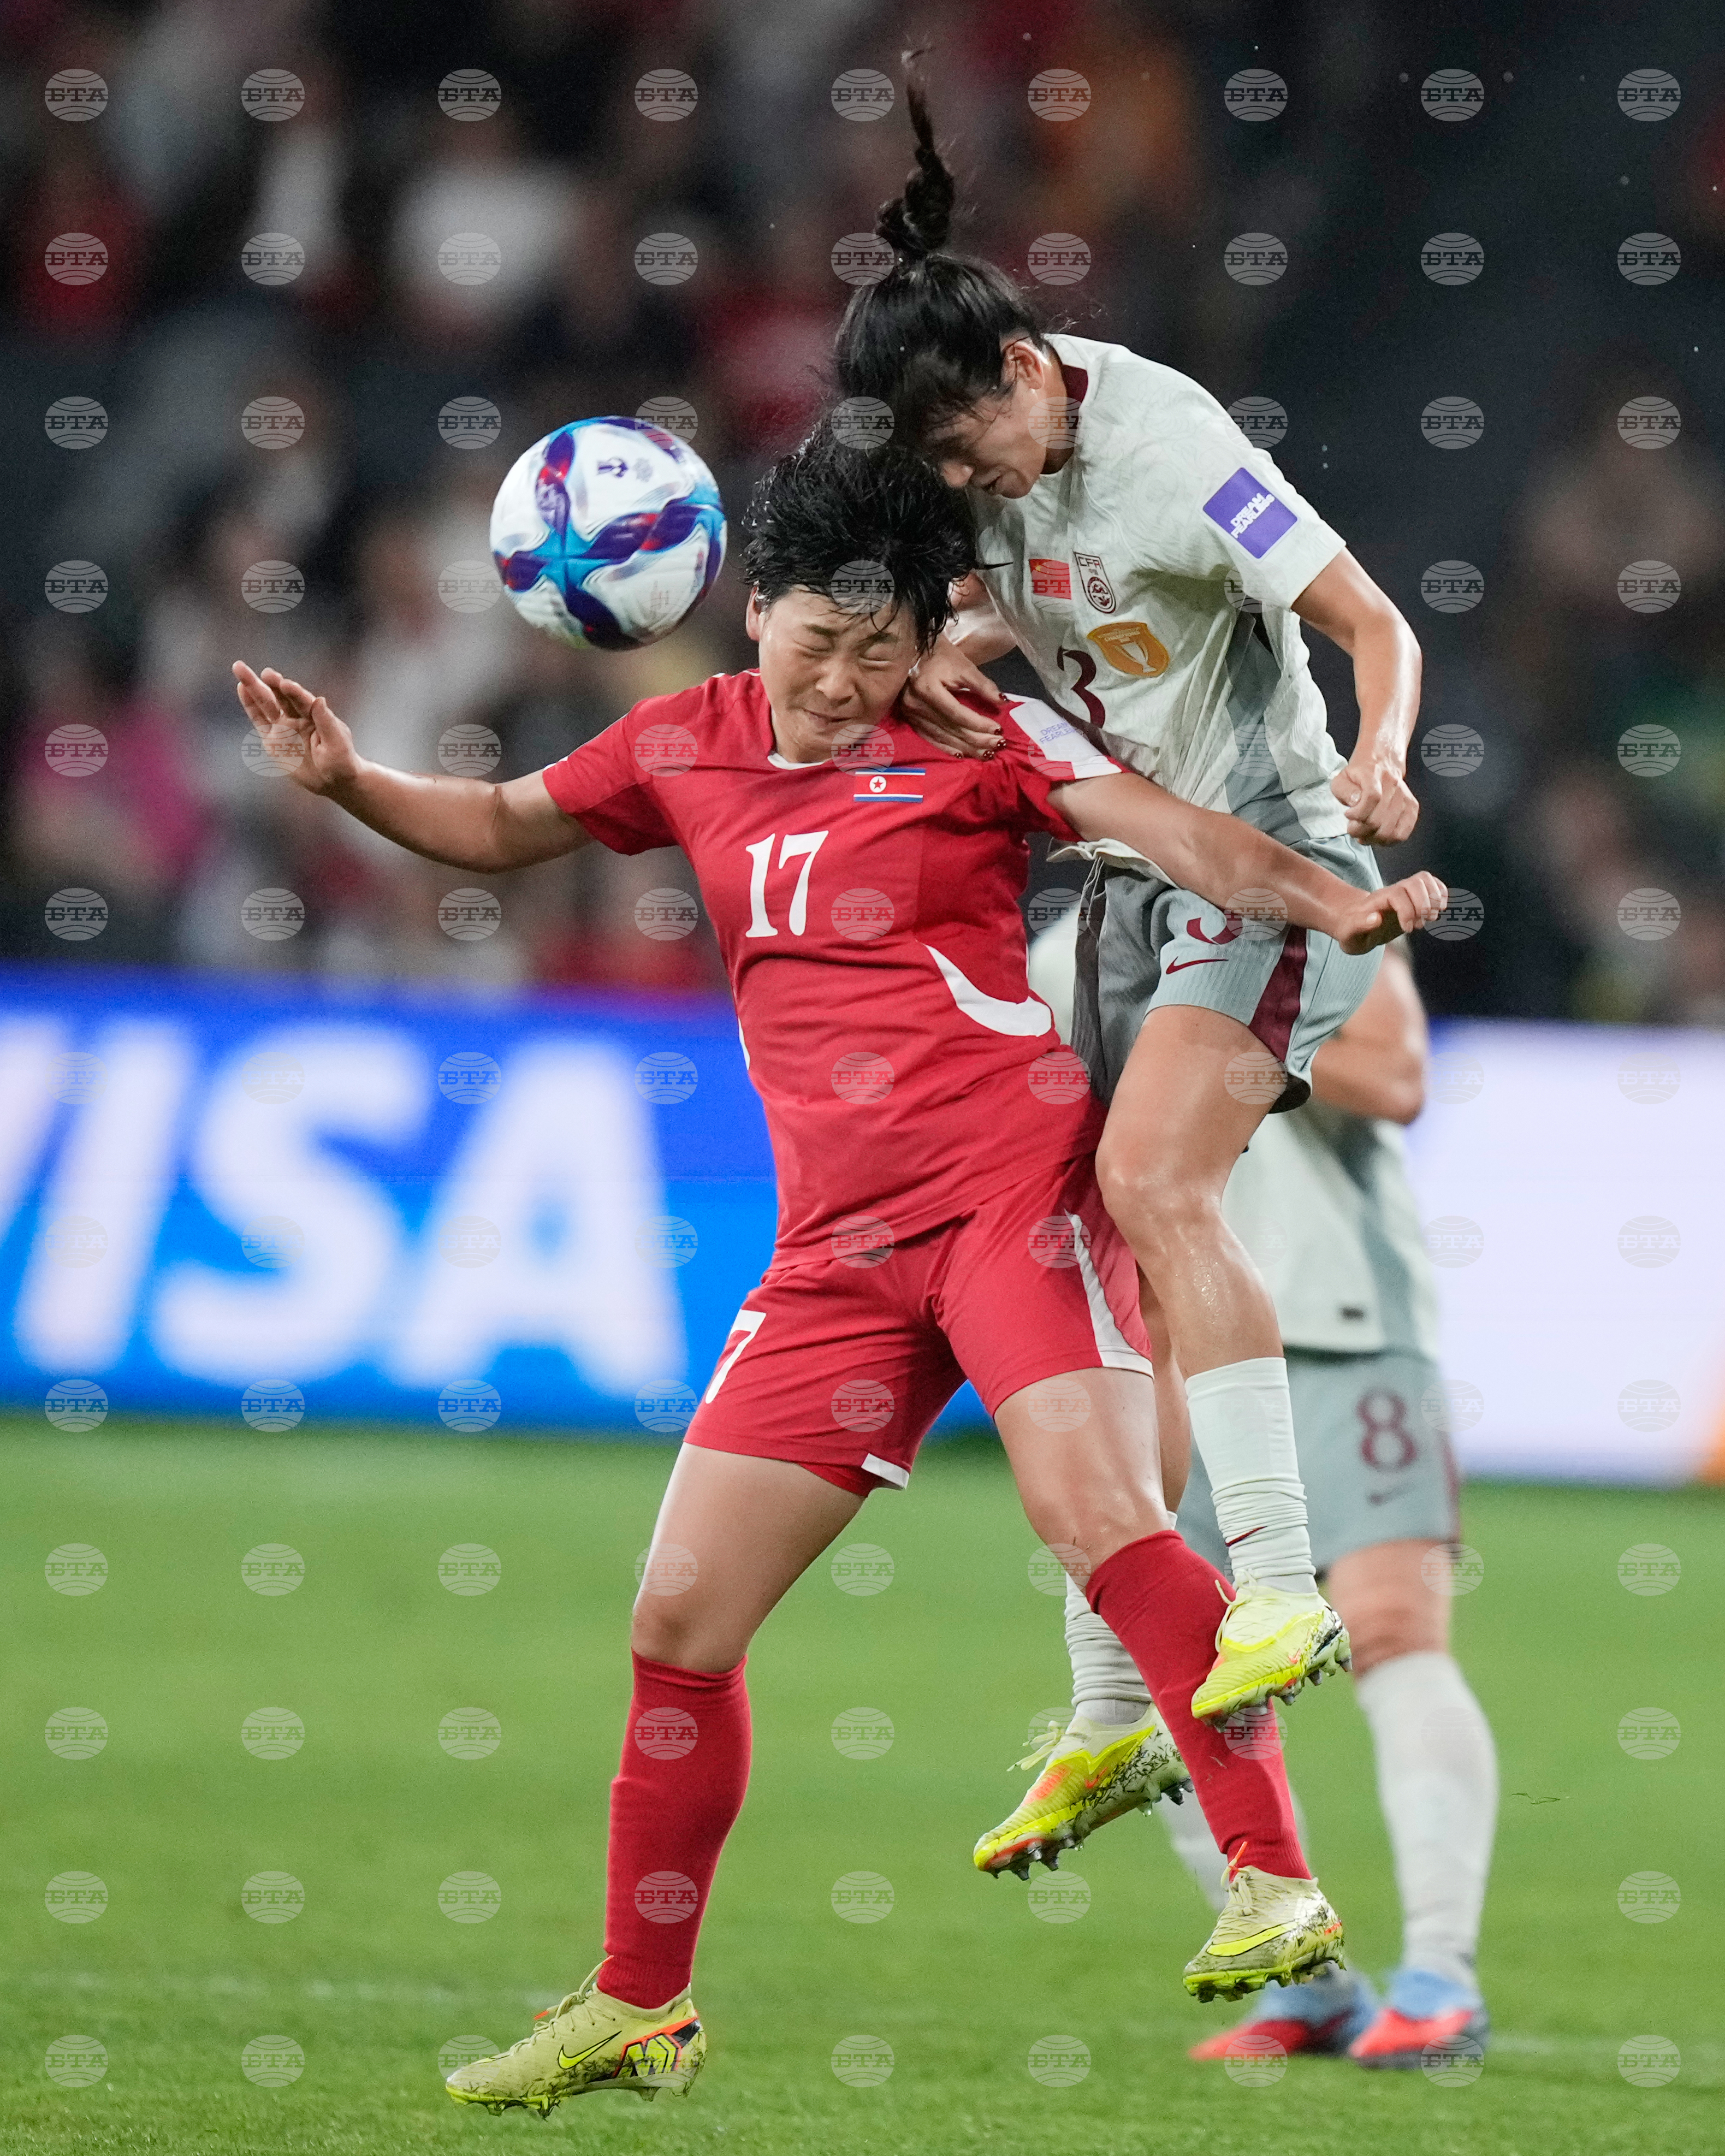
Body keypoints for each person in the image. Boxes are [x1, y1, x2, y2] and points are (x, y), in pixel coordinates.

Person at [233, 433, 1442, 2118]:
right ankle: (637, 2002)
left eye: (881, 648)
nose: (846, 680)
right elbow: (506, 823)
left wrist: (1331, 898)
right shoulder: (686, 742)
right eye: (820, 641)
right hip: (837, 1257)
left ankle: (1276, 1884)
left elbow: (1171, 831)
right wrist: (350, 779)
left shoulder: (973, 737)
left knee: (1102, 1522)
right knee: (679, 1619)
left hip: (1010, 1199)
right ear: (756, 614)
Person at [834, 82, 1427, 1725]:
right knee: (1093, 1246)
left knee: (1153, 1177)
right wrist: (946, 653)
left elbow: (1374, 622)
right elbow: (1011, 603)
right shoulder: (980, 464)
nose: (967, 482)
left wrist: (1379, 753)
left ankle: (1282, 1590)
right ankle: (1111, 1694)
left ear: (1027, 369)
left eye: (968, 448)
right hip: (1128, 865)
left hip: (1267, 846)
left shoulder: (1179, 453)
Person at [979, 926, 1496, 2071]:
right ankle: (1311, 1985)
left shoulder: (1313, 891)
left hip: (1339, 1319)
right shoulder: (1066, 948)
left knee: (1392, 1632)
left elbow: (1393, 1076)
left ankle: (1440, 1979)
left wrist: (1199, 1037)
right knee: (1185, 1665)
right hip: (1158, 1348)